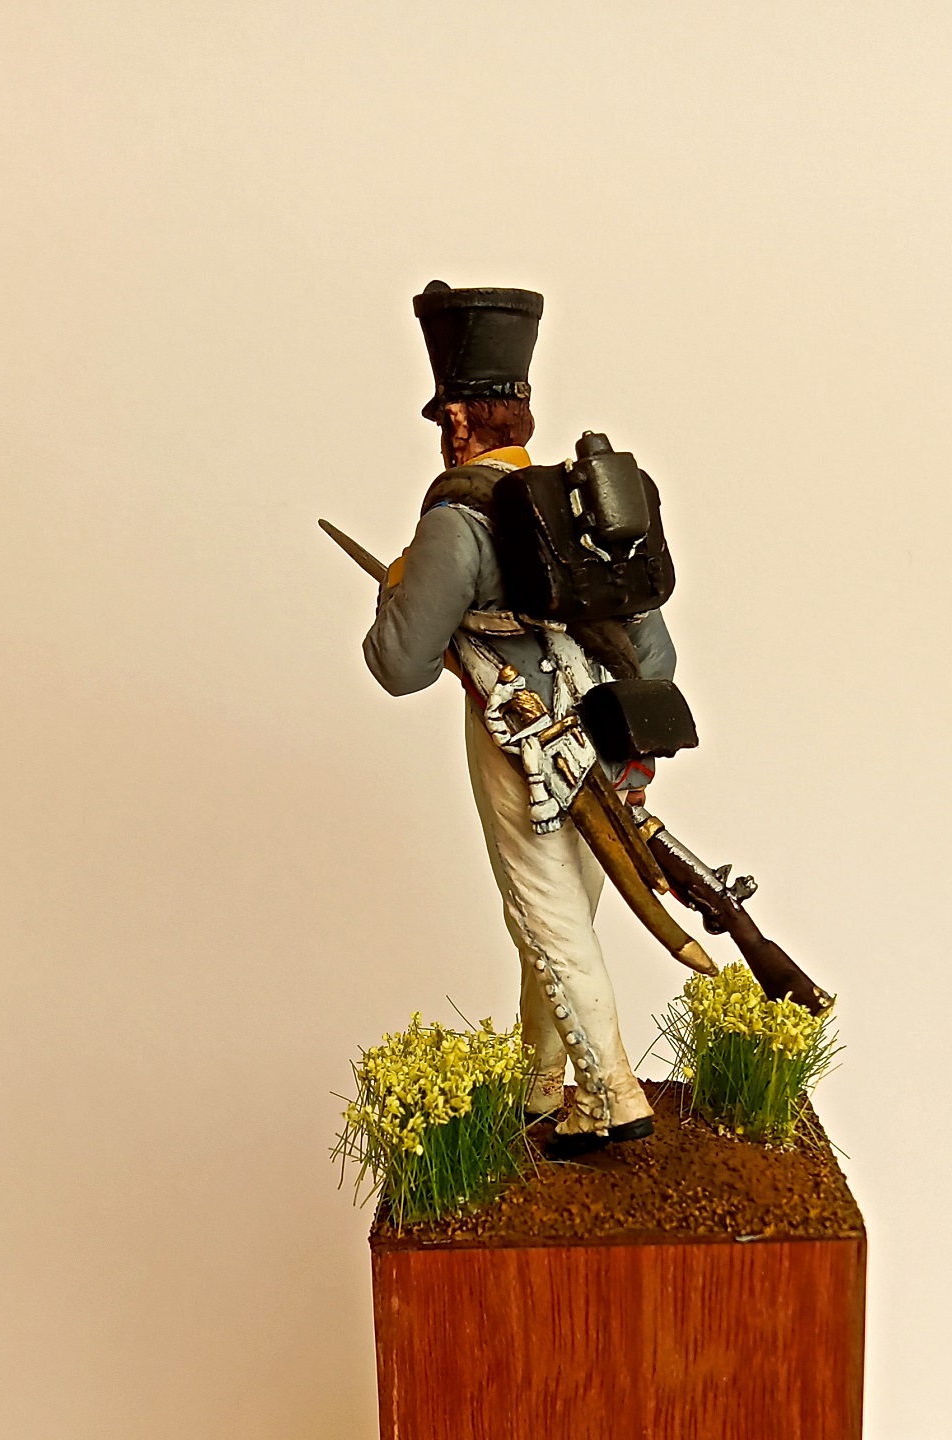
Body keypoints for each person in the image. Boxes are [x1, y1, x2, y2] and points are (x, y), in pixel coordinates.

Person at [363, 282, 678, 1157]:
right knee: (559, 912)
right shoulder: (586, 505)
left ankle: (609, 1094)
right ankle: (541, 1078)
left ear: (460, 420)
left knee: (545, 915)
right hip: (605, 731)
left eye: (446, 416)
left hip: (521, 738)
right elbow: (654, 657)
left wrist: (399, 587)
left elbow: (397, 666)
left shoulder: (457, 520)